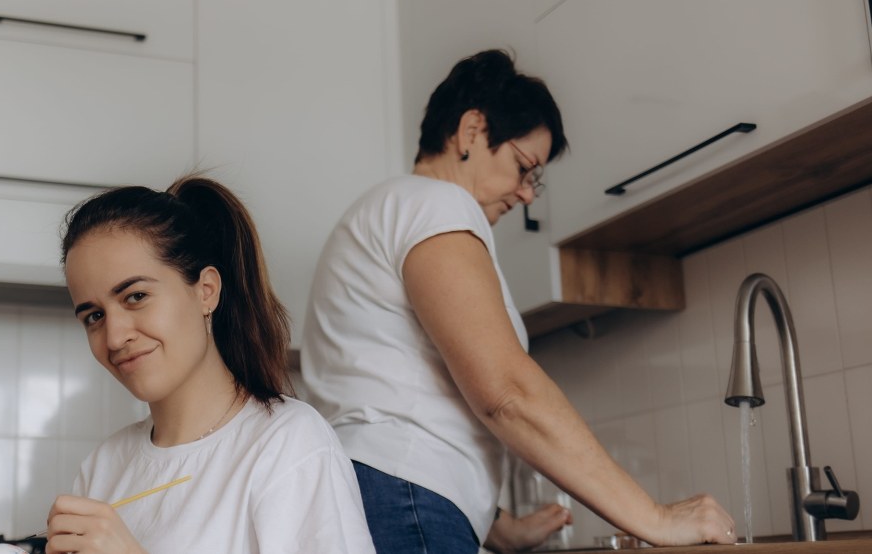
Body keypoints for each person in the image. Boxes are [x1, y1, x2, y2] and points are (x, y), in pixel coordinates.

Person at [301, 49, 736, 554]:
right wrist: (654, 518)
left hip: (383, 498)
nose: (529, 194)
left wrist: (497, 526)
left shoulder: (389, 209)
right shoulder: (435, 205)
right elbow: (504, 392)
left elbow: (393, 405)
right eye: (524, 167)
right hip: (405, 503)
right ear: (471, 131)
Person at [47, 176, 377, 554]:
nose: (115, 336)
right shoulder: (104, 467)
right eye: (93, 316)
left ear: (206, 291)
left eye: (136, 296)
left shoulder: (288, 442)